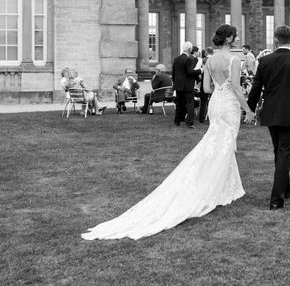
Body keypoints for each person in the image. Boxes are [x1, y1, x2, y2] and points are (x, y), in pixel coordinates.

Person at [82, 24, 254, 240]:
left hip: (216, 104)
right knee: (225, 146)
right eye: (235, 36)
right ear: (228, 39)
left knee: (218, 144)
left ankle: (229, 188)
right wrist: (247, 109)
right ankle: (215, 189)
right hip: (228, 104)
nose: (237, 38)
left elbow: (208, 89)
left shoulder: (210, 60)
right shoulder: (235, 60)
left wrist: (223, 88)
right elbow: (237, 88)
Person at [247, 25, 290, 211]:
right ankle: (276, 199)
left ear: (275, 40)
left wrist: (250, 110)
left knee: (279, 151)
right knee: (283, 154)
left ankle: (286, 189)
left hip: (272, 113)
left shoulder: (265, 61)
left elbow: (255, 89)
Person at [172, 41, 201, 128]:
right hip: (187, 85)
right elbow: (190, 72)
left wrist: (175, 83)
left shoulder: (176, 58)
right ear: (190, 49)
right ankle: (189, 122)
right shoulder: (188, 59)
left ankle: (177, 120)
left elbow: (174, 73)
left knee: (179, 104)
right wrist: (200, 71)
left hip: (178, 85)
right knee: (190, 104)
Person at [198, 47, 215, 123]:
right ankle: (213, 118)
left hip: (205, 82)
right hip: (214, 83)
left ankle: (201, 118)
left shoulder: (202, 60)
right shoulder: (216, 60)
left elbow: (197, 69)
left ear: (206, 52)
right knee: (214, 101)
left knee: (203, 101)